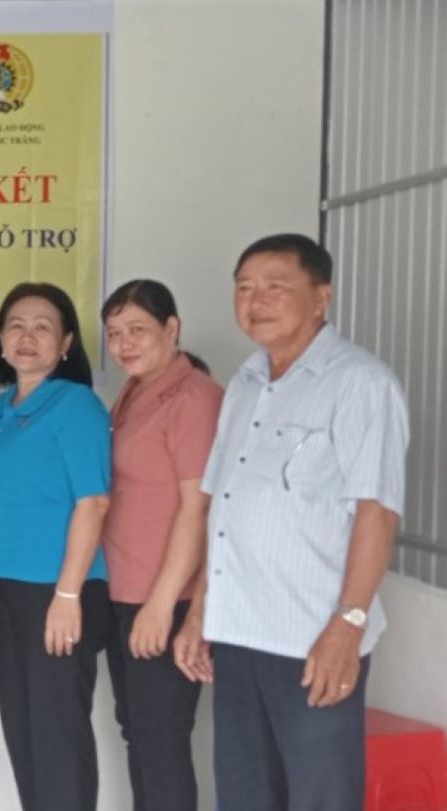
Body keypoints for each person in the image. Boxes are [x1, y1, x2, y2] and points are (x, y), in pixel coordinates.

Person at [175, 234, 408, 811]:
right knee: (246, 796)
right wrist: (202, 611)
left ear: (321, 297)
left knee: (319, 797)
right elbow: (223, 511)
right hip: (239, 636)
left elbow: (377, 511)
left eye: (276, 287)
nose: (256, 300)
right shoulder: (246, 384)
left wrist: (347, 627)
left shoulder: (360, 383)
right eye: (245, 288)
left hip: (311, 639)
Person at [0, 282, 111, 811]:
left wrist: (68, 595)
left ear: (67, 341)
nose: (27, 337)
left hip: (61, 590)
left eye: (43, 326)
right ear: (1, 340)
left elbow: (92, 504)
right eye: (16, 326)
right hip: (9, 588)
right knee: (22, 729)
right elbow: (0, 503)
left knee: (58, 736)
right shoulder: (0, 409)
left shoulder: (77, 406)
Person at [99, 280, 222, 811]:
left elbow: (199, 508)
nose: (124, 343)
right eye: (114, 333)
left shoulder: (194, 397)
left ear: (171, 329)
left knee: (162, 741)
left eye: (138, 330)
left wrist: (160, 605)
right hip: (126, 589)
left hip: (164, 599)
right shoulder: (133, 390)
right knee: (140, 733)